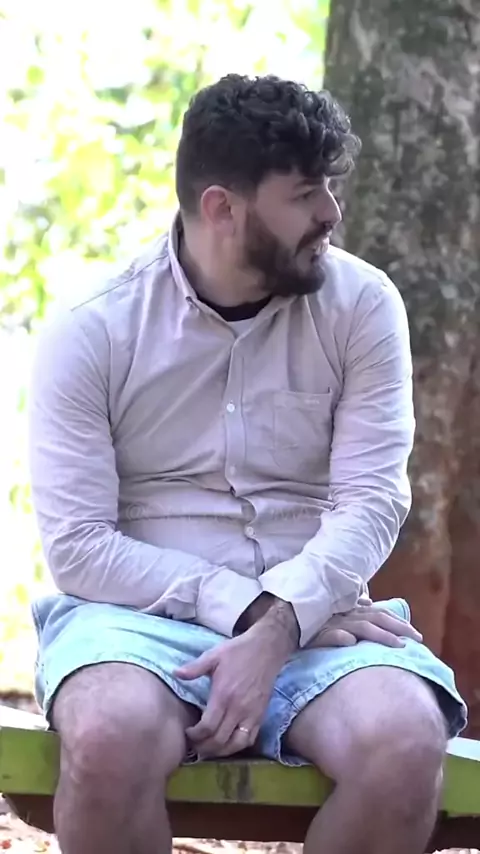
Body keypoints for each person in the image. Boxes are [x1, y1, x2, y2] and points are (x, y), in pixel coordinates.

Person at [28, 73, 467, 854]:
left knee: (402, 744)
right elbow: (80, 547)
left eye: (330, 186)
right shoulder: (94, 330)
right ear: (221, 208)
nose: (331, 212)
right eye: (304, 194)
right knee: (108, 736)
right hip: (137, 622)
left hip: (321, 617)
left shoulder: (363, 307)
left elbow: (372, 499)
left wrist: (287, 618)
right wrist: (253, 611)